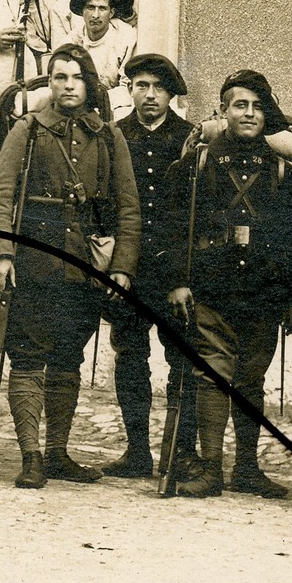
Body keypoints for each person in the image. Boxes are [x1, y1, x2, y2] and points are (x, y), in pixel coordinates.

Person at [0, 44, 141, 489]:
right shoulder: (28, 130)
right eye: (59, 77)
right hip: (32, 263)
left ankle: (57, 452)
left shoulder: (108, 136)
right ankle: (31, 455)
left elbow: (128, 208)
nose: (67, 86)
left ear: (89, 84)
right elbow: (0, 194)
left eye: (76, 78)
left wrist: (122, 267)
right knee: (30, 356)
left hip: (83, 268)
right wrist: (0, 254)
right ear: (49, 83)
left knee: (69, 357)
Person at [165, 70, 292, 500]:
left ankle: (248, 468)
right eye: (240, 105)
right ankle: (211, 468)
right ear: (223, 111)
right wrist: (178, 282)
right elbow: (172, 229)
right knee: (212, 373)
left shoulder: (281, 170)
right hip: (211, 284)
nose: (249, 114)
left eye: (257, 106)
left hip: (262, 288)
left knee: (251, 377)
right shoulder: (197, 167)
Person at [101, 53, 197, 478]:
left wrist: (185, 275)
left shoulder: (190, 139)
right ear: (130, 90)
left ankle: (180, 451)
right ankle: (137, 449)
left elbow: (197, 213)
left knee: (183, 359)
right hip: (130, 267)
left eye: (159, 88)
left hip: (175, 270)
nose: (150, 96)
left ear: (172, 94)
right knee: (130, 355)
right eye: (141, 86)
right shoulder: (114, 136)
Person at [69, 0, 136, 90]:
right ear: (82, 11)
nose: (95, 15)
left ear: (111, 13)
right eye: (90, 8)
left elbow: (127, 86)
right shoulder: (73, 39)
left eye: (102, 8)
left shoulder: (126, 38)